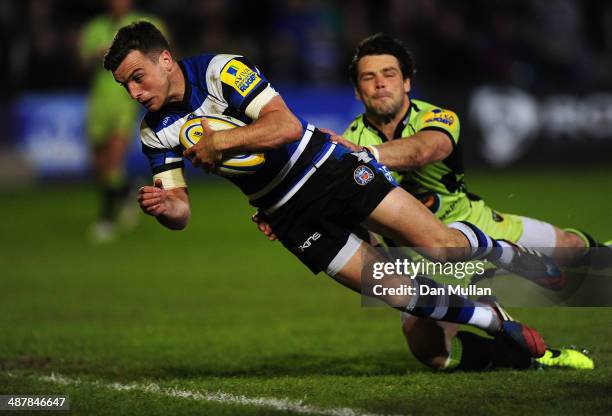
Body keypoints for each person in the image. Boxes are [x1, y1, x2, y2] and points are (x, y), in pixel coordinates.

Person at [103, 21, 562, 366]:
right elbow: (181, 211)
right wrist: (166, 208)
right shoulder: (153, 133)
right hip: (286, 215)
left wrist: (221, 141)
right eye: (126, 85)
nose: (135, 91)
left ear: (165, 60)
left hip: (328, 170)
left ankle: (510, 255)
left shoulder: (219, 70)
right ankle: (497, 324)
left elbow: (283, 125)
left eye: (138, 76)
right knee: (398, 292)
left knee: (440, 248)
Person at [339, 33, 597, 371]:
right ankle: (527, 359)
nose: (380, 84)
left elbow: (423, 150)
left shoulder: (437, 118)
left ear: (406, 82)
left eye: (389, 74)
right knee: (432, 353)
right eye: (368, 78)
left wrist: (365, 157)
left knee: (572, 246)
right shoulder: (348, 141)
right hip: (414, 258)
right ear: (358, 91)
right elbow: (355, 217)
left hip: (475, 225)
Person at [80, 0, 164, 242]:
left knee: (113, 163)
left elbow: (161, 55)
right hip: (99, 101)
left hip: (126, 101)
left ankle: (106, 220)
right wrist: (95, 57)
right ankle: (131, 191)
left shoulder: (146, 25)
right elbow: (81, 65)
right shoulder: (95, 27)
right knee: (99, 166)